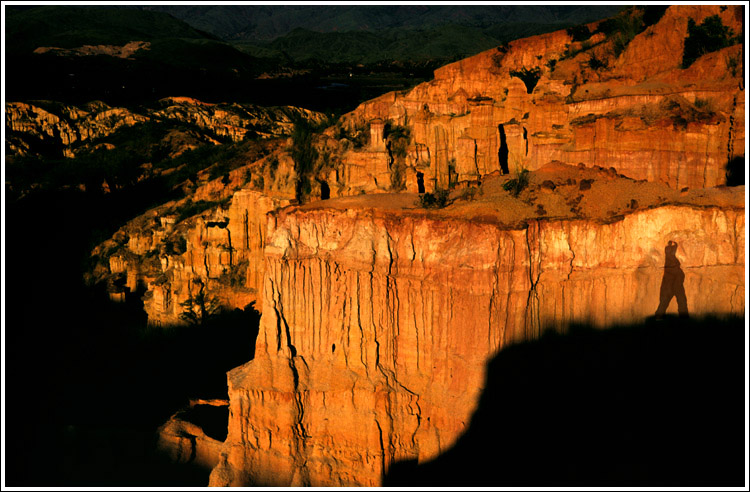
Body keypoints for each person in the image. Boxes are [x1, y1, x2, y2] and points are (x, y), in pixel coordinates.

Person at [654, 240, 689, 318]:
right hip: (673, 280)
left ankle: (659, 317)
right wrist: (675, 245)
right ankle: (684, 318)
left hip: (670, 280)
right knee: (680, 300)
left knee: (665, 301)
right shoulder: (671, 261)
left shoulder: (669, 260)